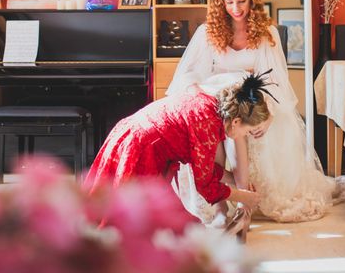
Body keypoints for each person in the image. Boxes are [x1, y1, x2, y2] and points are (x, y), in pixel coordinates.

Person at [167, 0, 345, 224]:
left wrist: (267, 116)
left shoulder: (266, 33)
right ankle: (222, 204)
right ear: (221, 3)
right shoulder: (207, 33)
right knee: (215, 133)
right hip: (217, 102)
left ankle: (243, 203)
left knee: (245, 129)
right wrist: (196, 95)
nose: (236, 8)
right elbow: (189, 75)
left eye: (242, 1)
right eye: (230, 2)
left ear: (252, 0)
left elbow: (274, 81)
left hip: (251, 102)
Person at [85, 72, 275, 214]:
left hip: (131, 134)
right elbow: (205, 185)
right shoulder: (207, 125)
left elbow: (205, 168)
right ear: (236, 122)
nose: (246, 135)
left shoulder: (210, 107)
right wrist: (243, 197)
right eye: (248, 131)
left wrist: (233, 180)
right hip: (140, 148)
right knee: (138, 218)